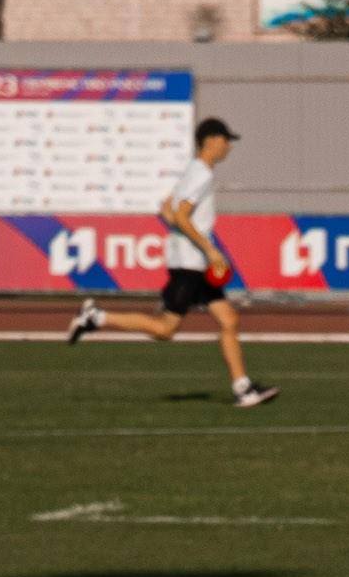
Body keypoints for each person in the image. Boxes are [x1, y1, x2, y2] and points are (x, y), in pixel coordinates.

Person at [66, 117, 277, 407]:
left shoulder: (193, 171)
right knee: (165, 329)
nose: (229, 146)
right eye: (226, 140)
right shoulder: (201, 174)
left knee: (228, 319)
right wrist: (210, 249)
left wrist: (191, 240)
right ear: (210, 141)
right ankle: (96, 317)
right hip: (190, 265)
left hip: (195, 263)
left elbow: (167, 209)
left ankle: (243, 389)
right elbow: (180, 215)